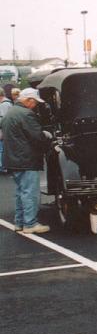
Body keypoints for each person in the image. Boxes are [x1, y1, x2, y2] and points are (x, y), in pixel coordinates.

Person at [0, 87, 53, 233]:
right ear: (28, 100)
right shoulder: (26, 114)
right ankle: (30, 224)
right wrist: (47, 137)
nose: (35, 105)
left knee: (20, 192)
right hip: (26, 159)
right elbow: (37, 136)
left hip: (13, 159)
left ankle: (20, 222)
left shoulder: (10, 112)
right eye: (35, 102)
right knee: (30, 192)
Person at [0, 90, 12, 172]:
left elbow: (2, 119)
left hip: (3, 130)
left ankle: (2, 166)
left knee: (1, 148)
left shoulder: (3, 105)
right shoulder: (8, 103)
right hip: (7, 129)